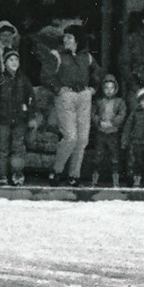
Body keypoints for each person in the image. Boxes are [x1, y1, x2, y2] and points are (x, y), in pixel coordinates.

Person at [50, 26, 96, 185]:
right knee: (70, 136)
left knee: (82, 139)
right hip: (66, 96)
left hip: (83, 96)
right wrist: (58, 89)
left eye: (69, 37)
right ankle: (56, 171)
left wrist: (92, 89)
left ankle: (74, 175)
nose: (65, 40)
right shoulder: (58, 56)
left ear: (78, 40)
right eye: (65, 37)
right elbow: (46, 75)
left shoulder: (87, 57)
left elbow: (98, 74)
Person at [0, 49, 29, 185]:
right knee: (2, 148)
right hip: (2, 120)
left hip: (19, 121)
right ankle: (1, 175)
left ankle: (17, 174)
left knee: (18, 148)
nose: (14, 62)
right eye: (11, 60)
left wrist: (31, 116)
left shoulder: (23, 80)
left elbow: (31, 99)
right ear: (5, 63)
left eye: (16, 60)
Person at [89, 73, 127, 187]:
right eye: (106, 88)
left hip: (113, 132)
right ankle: (94, 181)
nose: (109, 91)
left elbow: (122, 114)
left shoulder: (120, 102)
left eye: (112, 88)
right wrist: (99, 122)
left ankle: (116, 182)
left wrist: (113, 122)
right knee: (98, 156)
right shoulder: (99, 102)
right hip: (101, 132)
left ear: (116, 89)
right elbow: (92, 113)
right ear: (103, 89)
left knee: (115, 157)